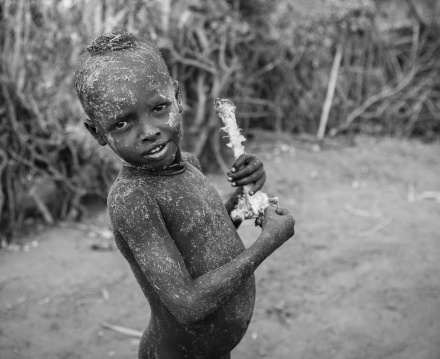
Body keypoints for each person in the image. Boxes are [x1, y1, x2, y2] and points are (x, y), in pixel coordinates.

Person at [73, 29, 295, 359]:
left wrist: (244, 198)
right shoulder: (133, 199)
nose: (149, 131)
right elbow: (188, 304)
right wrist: (268, 242)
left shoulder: (189, 164)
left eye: (159, 107)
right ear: (96, 132)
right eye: (122, 124)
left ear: (177, 98)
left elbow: (206, 237)